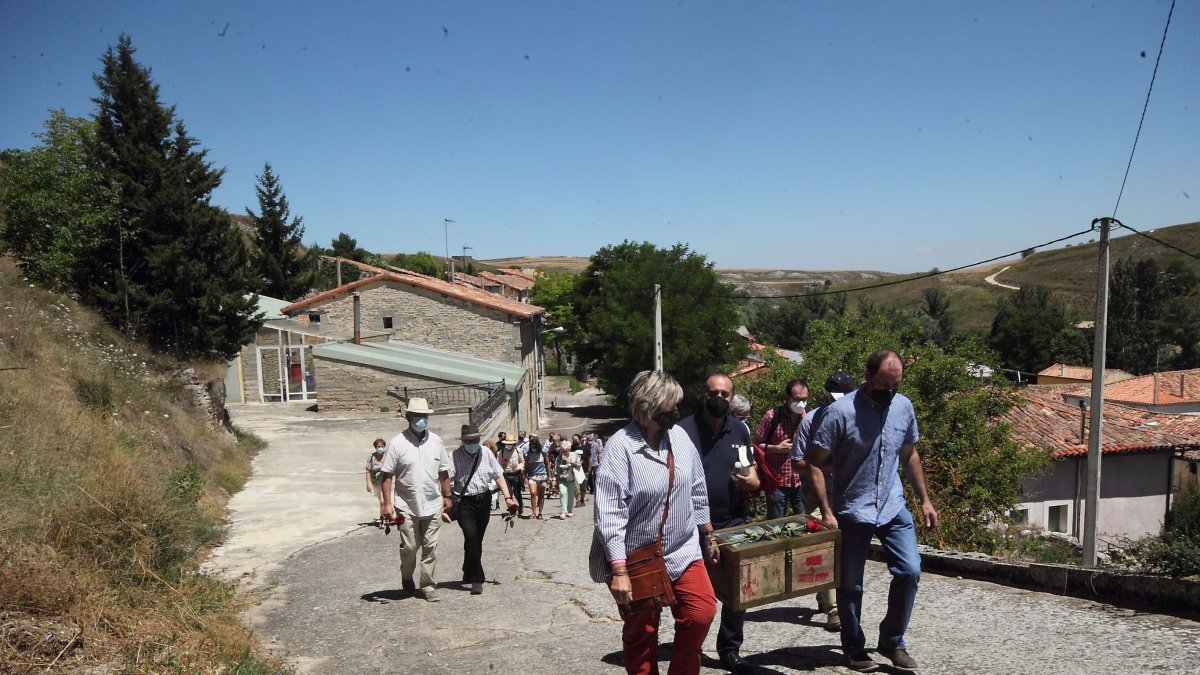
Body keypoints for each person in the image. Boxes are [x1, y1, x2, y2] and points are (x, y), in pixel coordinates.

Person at [806, 351, 939, 673]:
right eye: (883, 384)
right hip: (852, 508)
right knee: (851, 584)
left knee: (910, 570)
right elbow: (813, 462)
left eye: (895, 385)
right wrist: (825, 510)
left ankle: (892, 641)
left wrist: (925, 500)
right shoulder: (839, 413)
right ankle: (853, 648)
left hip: (893, 505)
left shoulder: (903, 407)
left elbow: (909, 453)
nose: (889, 391)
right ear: (866, 375)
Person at [590, 370, 718, 675]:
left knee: (701, 613)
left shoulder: (680, 438)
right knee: (642, 634)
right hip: (636, 558)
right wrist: (618, 570)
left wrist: (709, 535)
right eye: (669, 406)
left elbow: (697, 488)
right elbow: (609, 514)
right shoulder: (620, 448)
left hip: (683, 550)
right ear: (648, 405)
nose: (676, 412)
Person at [679, 372, 761, 675]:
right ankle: (691, 644)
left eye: (725, 394)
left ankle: (729, 649)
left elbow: (750, 470)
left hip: (733, 520)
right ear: (703, 395)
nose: (719, 398)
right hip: (690, 525)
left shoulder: (739, 430)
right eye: (713, 393)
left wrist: (752, 480)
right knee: (693, 590)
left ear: (731, 397)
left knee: (737, 590)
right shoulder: (682, 431)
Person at [791, 370, 858, 633]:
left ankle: (831, 597)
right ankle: (833, 609)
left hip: (849, 494)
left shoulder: (860, 420)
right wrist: (826, 463)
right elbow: (797, 463)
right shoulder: (811, 421)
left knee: (844, 550)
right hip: (817, 496)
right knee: (825, 547)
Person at [379, 398, 452, 602]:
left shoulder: (436, 441)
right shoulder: (397, 443)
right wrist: (387, 503)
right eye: (417, 416)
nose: (421, 420)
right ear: (408, 417)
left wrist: (447, 496)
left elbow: (443, 471)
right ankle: (406, 578)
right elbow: (386, 475)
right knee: (410, 547)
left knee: (431, 547)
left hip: (433, 503)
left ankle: (427, 585)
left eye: (424, 416)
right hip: (406, 504)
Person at [446, 424, 518, 594]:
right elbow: (446, 480)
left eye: (475, 440)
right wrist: (446, 500)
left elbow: (498, 474)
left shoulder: (486, 453)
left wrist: (508, 497)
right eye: (469, 440)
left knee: (476, 539)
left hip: (483, 499)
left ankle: (468, 568)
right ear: (463, 441)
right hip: (464, 502)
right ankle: (477, 578)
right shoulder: (454, 456)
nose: (472, 443)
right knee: (470, 536)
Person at [755, 379, 809, 520]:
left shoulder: (806, 418)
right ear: (787, 398)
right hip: (777, 482)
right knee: (776, 524)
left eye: (804, 399)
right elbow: (756, 445)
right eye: (797, 399)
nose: (801, 404)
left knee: (804, 522)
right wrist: (777, 448)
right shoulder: (772, 416)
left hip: (800, 482)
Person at [498, 436, 526, 516]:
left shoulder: (518, 451)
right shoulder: (501, 452)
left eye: (510, 444)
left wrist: (519, 467)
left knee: (517, 492)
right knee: (508, 494)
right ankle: (512, 510)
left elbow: (522, 462)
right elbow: (499, 464)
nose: (509, 446)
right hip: (506, 475)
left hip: (516, 475)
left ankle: (520, 505)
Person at [524, 433, 550, 519]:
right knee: (533, 493)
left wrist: (549, 476)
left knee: (541, 495)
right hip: (532, 475)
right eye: (531, 447)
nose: (533, 448)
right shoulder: (528, 453)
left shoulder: (543, 452)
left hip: (542, 475)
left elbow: (547, 464)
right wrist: (525, 476)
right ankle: (533, 512)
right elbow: (526, 466)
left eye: (534, 447)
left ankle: (540, 513)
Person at [554, 439, 581, 518]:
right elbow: (556, 469)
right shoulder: (559, 458)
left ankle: (569, 511)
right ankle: (563, 511)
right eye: (563, 451)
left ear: (569, 450)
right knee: (562, 493)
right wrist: (555, 478)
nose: (564, 453)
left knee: (571, 495)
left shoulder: (574, 455)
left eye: (566, 451)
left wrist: (573, 463)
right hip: (562, 479)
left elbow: (579, 465)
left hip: (571, 479)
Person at [364, 438, 389, 524]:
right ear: (375, 447)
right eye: (378, 446)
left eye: (382, 446)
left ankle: (384, 518)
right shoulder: (371, 457)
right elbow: (368, 471)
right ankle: (383, 517)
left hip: (386, 481)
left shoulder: (387, 456)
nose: (380, 448)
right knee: (382, 501)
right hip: (376, 482)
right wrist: (368, 483)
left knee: (384, 501)